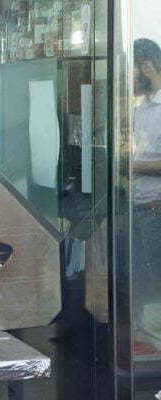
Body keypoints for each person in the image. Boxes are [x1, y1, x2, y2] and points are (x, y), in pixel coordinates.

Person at [131, 38, 161, 323]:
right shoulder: (141, 107)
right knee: (143, 285)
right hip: (138, 207)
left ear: (147, 66)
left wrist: (133, 165)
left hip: (156, 208)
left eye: (134, 72)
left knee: (157, 285)